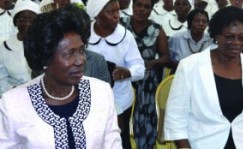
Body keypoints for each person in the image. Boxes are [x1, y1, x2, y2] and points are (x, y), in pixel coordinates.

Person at [0, 5, 122, 148]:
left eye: (81, 50)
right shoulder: (13, 104)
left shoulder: (101, 92)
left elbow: (113, 144)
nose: (80, 60)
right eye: (69, 53)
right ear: (46, 58)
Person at [164, 6, 243, 148]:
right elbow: (175, 117)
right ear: (216, 36)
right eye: (229, 37)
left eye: (242, 38)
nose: (237, 43)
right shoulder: (190, 66)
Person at [86, 0, 145, 148]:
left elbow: (140, 68)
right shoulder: (85, 35)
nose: (116, 16)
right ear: (97, 14)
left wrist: (128, 72)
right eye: (110, 12)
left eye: (117, 11)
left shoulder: (126, 36)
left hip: (119, 98)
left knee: (119, 138)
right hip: (90, 98)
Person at [120, 0, 170, 147]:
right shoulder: (121, 24)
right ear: (133, 6)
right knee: (120, 118)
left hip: (146, 80)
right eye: (138, 5)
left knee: (145, 119)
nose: (141, 9)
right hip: (123, 78)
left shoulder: (157, 29)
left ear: (151, 9)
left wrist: (152, 63)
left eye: (146, 7)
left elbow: (166, 57)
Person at [0, 0, 40, 97]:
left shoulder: (45, 44)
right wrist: (13, 90)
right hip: (15, 96)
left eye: (31, 19)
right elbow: (1, 78)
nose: (27, 23)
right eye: (22, 19)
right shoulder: (5, 47)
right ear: (15, 22)